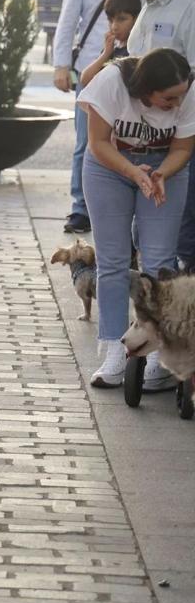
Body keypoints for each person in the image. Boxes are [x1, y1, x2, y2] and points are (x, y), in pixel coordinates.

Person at [79, 48, 195, 391]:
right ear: (146, 90)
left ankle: (160, 351)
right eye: (168, 98)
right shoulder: (111, 81)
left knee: (159, 261)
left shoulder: (187, 90)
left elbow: (183, 149)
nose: (176, 104)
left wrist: (158, 175)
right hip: (108, 166)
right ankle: (115, 346)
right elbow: (98, 142)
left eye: (181, 96)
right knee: (113, 260)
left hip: (166, 169)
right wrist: (133, 172)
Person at [52, 0, 141, 235]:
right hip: (92, 70)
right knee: (85, 142)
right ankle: (81, 209)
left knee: (130, 141)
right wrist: (62, 65)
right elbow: (68, 20)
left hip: (134, 71)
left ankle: (125, 209)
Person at [124, 0, 195, 273]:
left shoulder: (191, 5)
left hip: (182, 145)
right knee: (147, 241)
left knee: (182, 241)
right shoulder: (150, 7)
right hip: (145, 143)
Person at [79, 0, 142, 88]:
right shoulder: (111, 51)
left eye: (121, 19)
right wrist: (105, 54)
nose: (114, 27)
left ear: (136, 19)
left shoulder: (138, 50)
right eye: (110, 21)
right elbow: (85, 80)